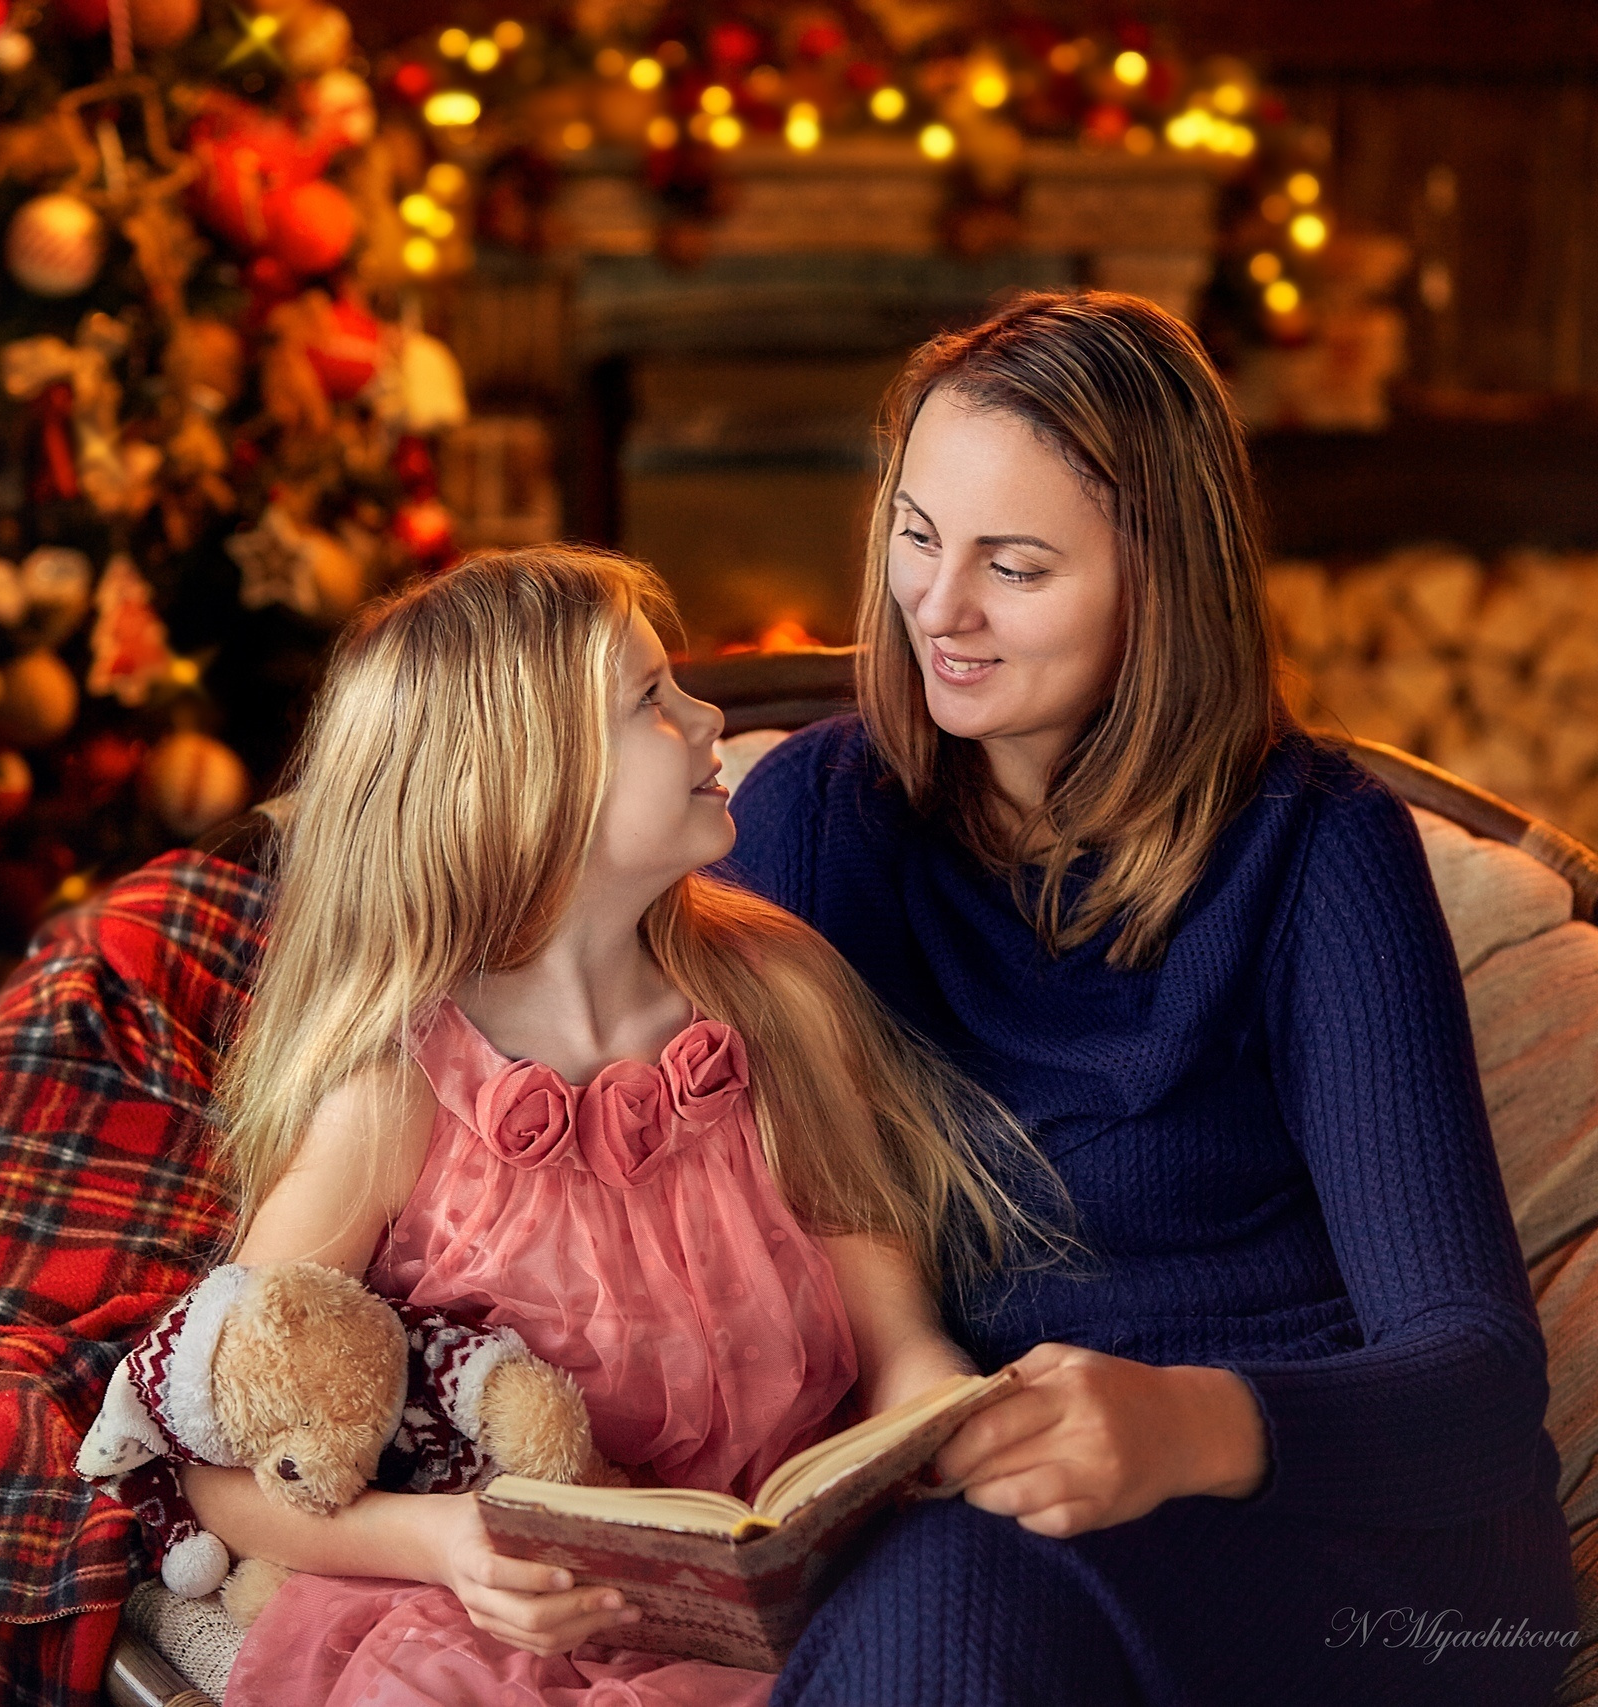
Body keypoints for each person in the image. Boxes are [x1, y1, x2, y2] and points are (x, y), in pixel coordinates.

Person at [722, 291, 1581, 1705]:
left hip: (1357, 1558)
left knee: (951, 1594)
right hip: (970, 1513)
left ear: (1159, 581)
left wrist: (1187, 1424)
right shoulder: (816, 821)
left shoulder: (1316, 848)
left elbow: (1479, 1385)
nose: (939, 608)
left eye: (1017, 564)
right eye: (919, 535)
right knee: (940, 1586)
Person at [183, 546, 1067, 1707]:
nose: (708, 718)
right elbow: (219, 1462)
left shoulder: (774, 998)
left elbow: (878, 1288)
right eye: (652, 699)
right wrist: (445, 1544)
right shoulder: (396, 1094)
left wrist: (923, 1396)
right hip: (516, 1625)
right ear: (521, 782)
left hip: (794, 1581)